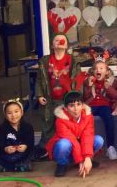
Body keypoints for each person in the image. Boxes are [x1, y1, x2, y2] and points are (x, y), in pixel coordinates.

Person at [37, 13, 81, 149]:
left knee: (67, 123)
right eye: (57, 40)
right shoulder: (45, 61)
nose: (60, 42)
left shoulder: (73, 60)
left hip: (67, 99)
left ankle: (69, 147)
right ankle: (48, 148)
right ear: (52, 44)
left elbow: (77, 79)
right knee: (49, 123)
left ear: (67, 44)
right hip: (50, 99)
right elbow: (39, 79)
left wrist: (76, 96)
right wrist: (39, 95)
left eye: (63, 40)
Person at [46, 91, 103, 178]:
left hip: (80, 148)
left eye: (78, 104)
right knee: (64, 144)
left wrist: (87, 157)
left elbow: (87, 136)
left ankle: (86, 161)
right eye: (71, 105)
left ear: (83, 105)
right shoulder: (60, 120)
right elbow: (72, 140)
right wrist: (80, 161)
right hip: (67, 149)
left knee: (98, 140)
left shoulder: (88, 117)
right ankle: (62, 164)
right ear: (66, 108)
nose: (76, 109)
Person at [83, 56, 117, 160]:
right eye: (96, 69)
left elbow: (116, 96)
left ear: (107, 72)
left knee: (109, 119)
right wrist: (89, 87)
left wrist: (109, 88)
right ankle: (86, 148)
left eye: (101, 68)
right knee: (85, 121)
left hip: (104, 106)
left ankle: (110, 147)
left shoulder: (112, 82)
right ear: (93, 72)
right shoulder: (88, 81)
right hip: (91, 106)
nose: (98, 70)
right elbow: (85, 97)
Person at [0, 99, 34, 172]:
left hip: (22, 153)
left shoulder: (28, 127)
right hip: (7, 155)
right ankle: (15, 166)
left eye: (16, 111)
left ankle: (8, 167)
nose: (13, 115)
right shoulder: (1, 128)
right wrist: (5, 149)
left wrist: (25, 146)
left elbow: (30, 141)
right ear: (5, 115)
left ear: (22, 112)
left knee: (31, 154)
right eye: (9, 113)